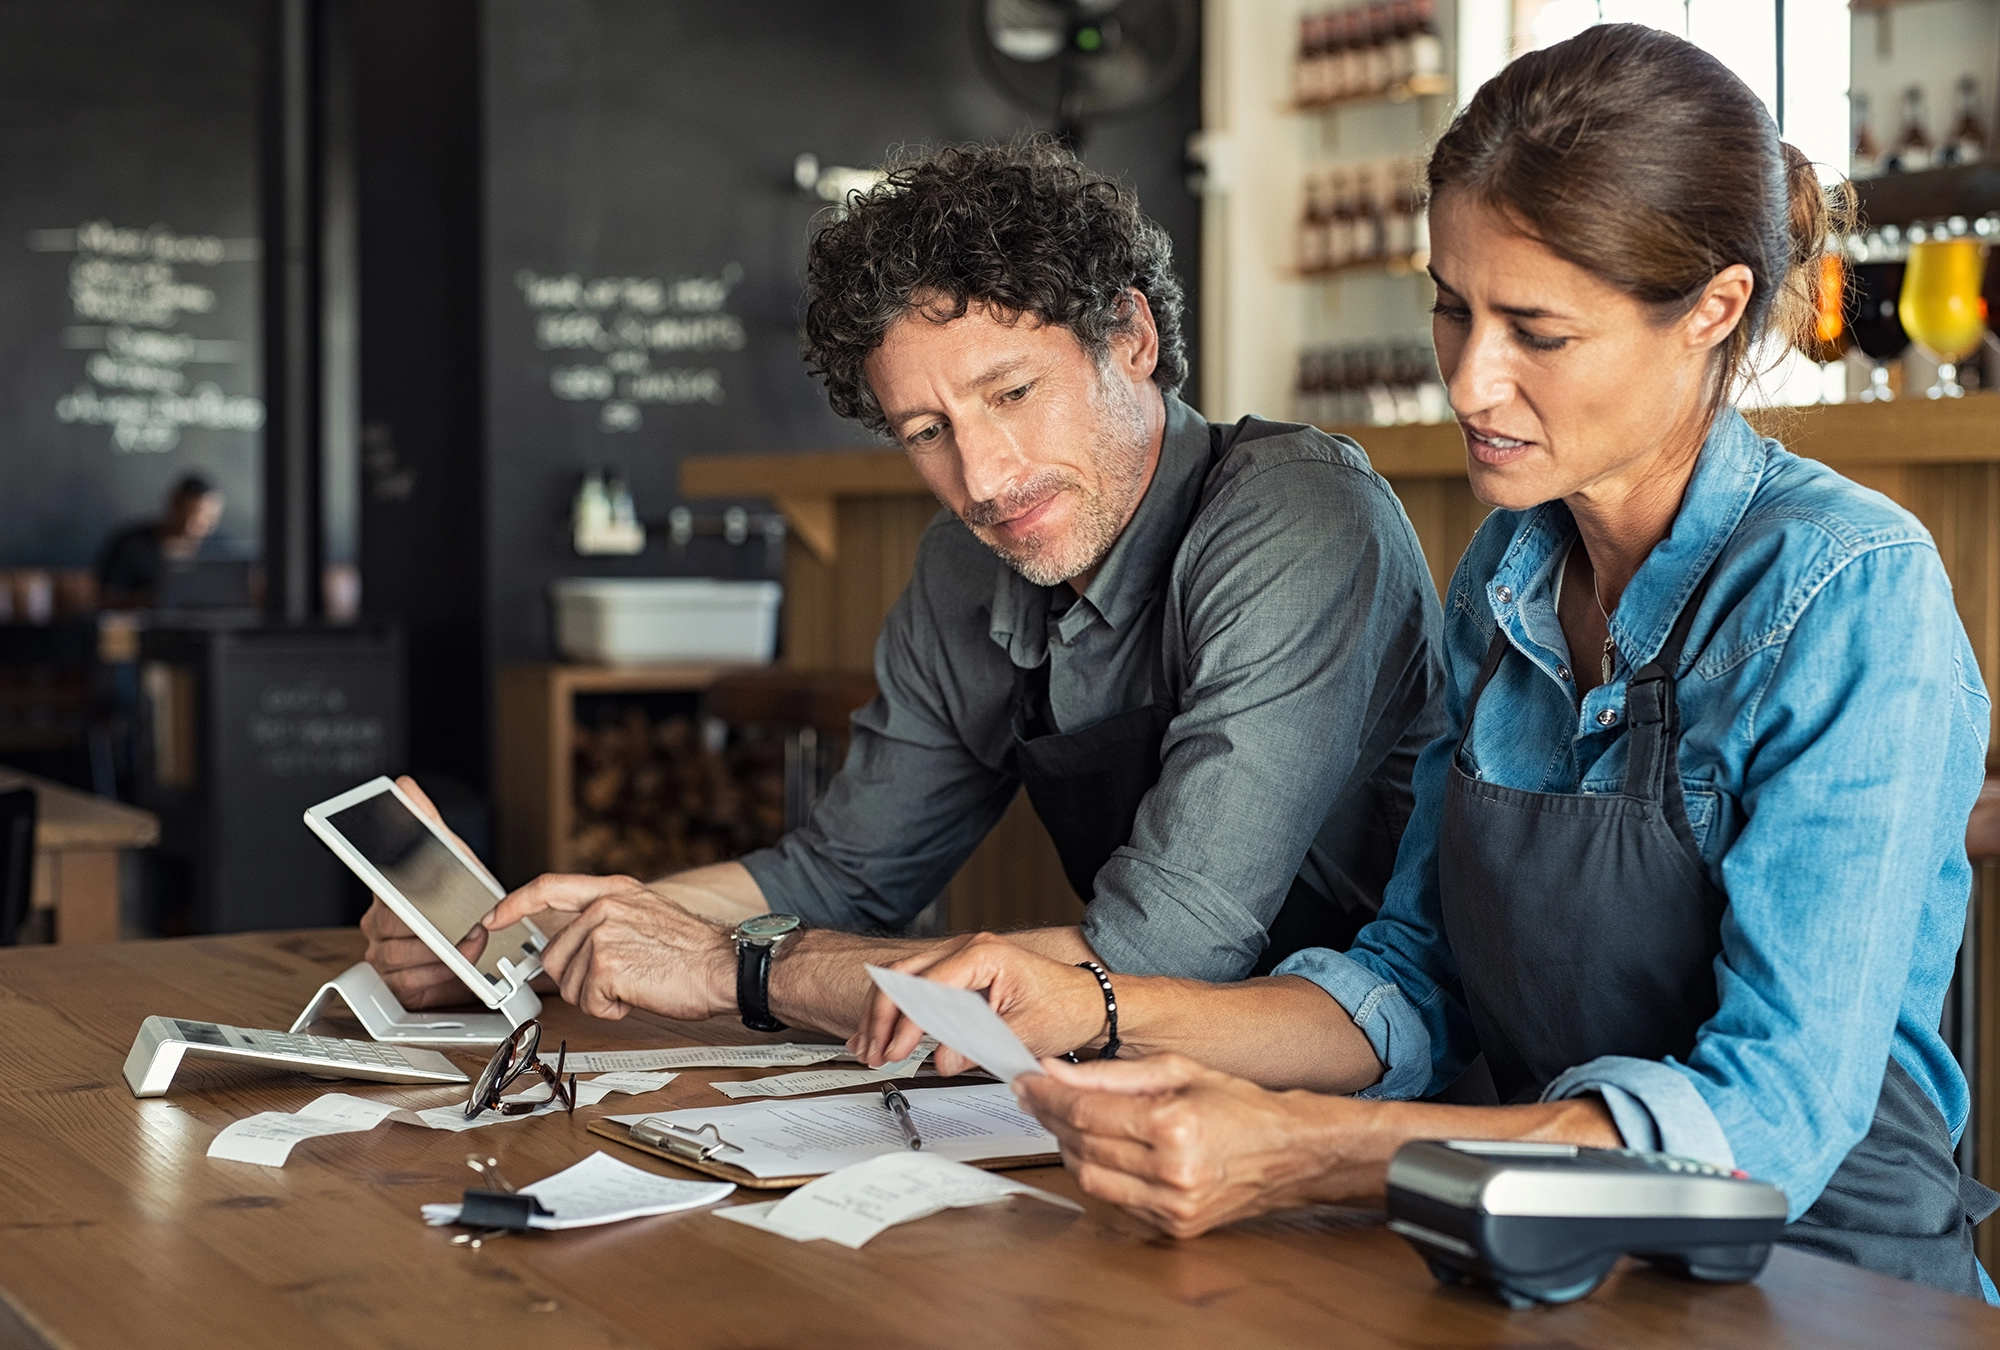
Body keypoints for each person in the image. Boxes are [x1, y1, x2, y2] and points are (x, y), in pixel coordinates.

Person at [852, 27, 2000, 1301]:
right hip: (1540, 1261)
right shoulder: (1507, 577)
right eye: (1451, 307)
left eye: (1536, 331)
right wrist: (1088, 1003)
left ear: (1712, 311)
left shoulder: (1847, 590)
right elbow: (1414, 983)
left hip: (1820, 1289)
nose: (1466, 378)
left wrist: (1314, 1154)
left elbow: (1769, 1122)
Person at [364, 140, 1446, 1036]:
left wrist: (734, 970)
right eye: (926, 432)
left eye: (1012, 392)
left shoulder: (1296, 518)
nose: (981, 480)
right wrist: (542, 930)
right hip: (1147, 1091)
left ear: (1130, 338)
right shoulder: (963, 562)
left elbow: (1161, 952)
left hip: (1380, 1087)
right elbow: (843, 872)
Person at [96, 473, 226, 608]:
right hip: (144, 624)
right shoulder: (130, 544)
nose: (202, 524)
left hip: (208, 627)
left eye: (210, 518)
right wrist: (156, 598)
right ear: (174, 504)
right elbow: (105, 599)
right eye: (194, 516)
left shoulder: (222, 549)